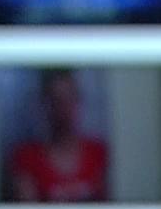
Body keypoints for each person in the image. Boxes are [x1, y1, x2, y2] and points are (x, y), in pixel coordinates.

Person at [8, 69, 110, 202]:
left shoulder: (98, 152)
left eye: (69, 99)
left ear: (78, 103)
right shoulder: (26, 158)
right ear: (45, 105)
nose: (64, 108)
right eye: (56, 100)